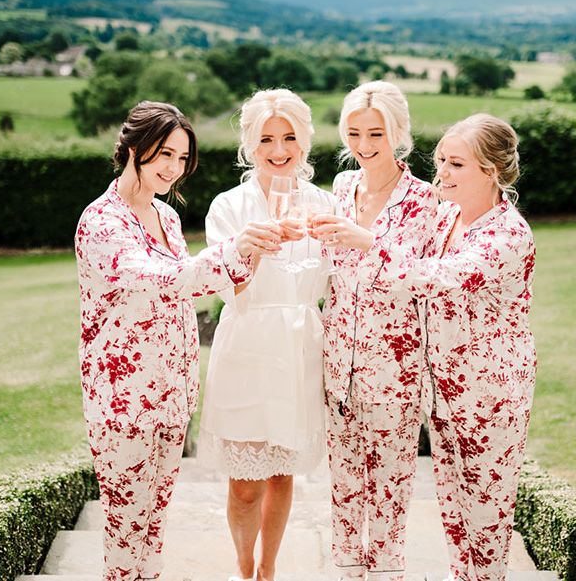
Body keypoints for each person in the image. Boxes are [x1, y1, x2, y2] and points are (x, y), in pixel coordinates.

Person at [313, 113, 536, 581]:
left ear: (490, 172)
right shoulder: (448, 216)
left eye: (456, 164)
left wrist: (367, 241)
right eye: (440, 161)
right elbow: (402, 265)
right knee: (454, 515)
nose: (442, 173)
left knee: (486, 518)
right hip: (441, 392)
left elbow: (437, 278)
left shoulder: (508, 235)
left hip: (489, 398)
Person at [75, 101, 283, 581]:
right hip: (124, 402)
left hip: (171, 396)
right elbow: (161, 279)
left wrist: (250, 254)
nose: (173, 168)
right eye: (163, 154)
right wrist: (236, 248)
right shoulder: (102, 221)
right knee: (127, 530)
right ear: (132, 148)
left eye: (182, 158)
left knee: (154, 524)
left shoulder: (166, 219)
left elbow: (194, 284)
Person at [197, 89, 333, 581]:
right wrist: (252, 248)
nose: (279, 149)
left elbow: (338, 280)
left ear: (305, 141)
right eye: (267, 139)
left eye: (289, 137)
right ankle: (242, 565)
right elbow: (220, 283)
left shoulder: (325, 204)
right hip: (246, 348)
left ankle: (269, 569)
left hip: (300, 350)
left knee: (281, 472)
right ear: (249, 144)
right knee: (246, 484)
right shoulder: (228, 206)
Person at [305, 81, 437, 581]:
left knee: (390, 483)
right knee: (342, 482)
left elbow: (428, 278)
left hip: (396, 367)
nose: (363, 144)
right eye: (354, 132)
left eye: (375, 132)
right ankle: (345, 567)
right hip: (338, 363)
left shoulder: (426, 201)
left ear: (399, 132)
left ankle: (386, 572)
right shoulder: (340, 189)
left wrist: (369, 242)